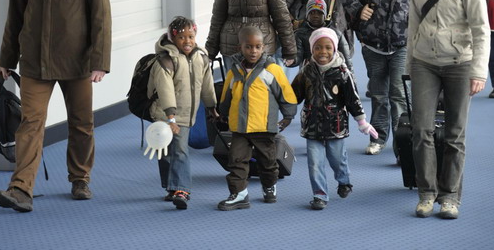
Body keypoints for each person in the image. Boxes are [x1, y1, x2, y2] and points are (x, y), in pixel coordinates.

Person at [0, 0, 112, 212]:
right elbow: (15, 14)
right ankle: (21, 189)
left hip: (77, 61)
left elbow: (101, 16)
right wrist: (6, 57)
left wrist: (99, 60)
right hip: (35, 60)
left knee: (82, 123)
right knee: (30, 124)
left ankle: (80, 179)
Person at [407, 0, 489, 219]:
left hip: (459, 64)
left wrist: (479, 72)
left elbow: (481, 30)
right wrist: (410, 63)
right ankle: (426, 193)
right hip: (424, 62)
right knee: (420, 130)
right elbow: (413, 23)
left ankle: (450, 196)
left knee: (455, 133)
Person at [341, 0, 420, 157]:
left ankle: (402, 142)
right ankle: (378, 137)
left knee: (399, 94)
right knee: (378, 94)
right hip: (373, 44)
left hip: (402, 44)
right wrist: (358, 9)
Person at [291, 28, 377, 210]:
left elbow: (352, 99)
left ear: (335, 49)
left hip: (335, 124)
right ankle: (319, 194)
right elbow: (293, 96)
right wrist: (279, 99)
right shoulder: (307, 71)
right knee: (314, 162)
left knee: (337, 159)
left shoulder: (342, 72)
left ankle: (344, 181)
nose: (323, 52)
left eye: (328, 48)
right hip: (312, 124)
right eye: (318, 48)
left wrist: (362, 121)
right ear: (312, 49)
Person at [216, 26, 297, 211]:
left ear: (264, 47)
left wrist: (288, 116)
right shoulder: (234, 72)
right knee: (236, 160)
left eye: (258, 47)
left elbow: (286, 93)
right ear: (240, 47)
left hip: (263, 126)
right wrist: (222, 112)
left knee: (267, 162)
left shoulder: (272, 70)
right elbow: (226, 97)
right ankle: (240, 194)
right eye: (249, 47)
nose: (253, 51)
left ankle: (269, 185)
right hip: (240, 128)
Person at [149, 17, 219, 209]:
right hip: (165, 115)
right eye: (181, 37)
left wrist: (212, 106)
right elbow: (165, 91)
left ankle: (181, 189)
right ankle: (171, 187)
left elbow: (207, 86)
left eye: (191, 36)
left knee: (179, 150)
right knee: (164, 152)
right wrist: (170, 117)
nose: (187, 41)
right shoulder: (165, 61)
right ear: (172, 38)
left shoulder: (201, 58)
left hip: (185, 116)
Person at [293, 0, 353, 71]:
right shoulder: (300, 34)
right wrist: (292, 60)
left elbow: (347, 60)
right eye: (312, 13)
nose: (315, 16)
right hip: (309, 73)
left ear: (325, 15)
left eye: (319, 13)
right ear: (307, 15)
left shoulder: (336, 34)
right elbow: (297, 56)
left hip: (333, 72)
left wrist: (351, 76)